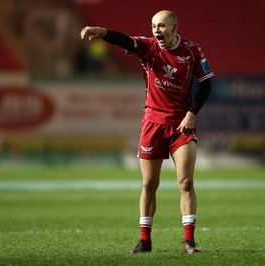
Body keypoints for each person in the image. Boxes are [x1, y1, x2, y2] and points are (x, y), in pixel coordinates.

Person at [80, 10, 213, 254]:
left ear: (174, 28)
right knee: (149, 183)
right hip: (153, 122)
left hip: (181, 124)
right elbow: (126, 40)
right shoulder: (149, 47)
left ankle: (189, 240)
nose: (156, 31)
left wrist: (191, 114)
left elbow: (206, 85)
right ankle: (145, 241)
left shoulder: (192, 51)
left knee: (186, 182)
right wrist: (103, 33)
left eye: (161, 26)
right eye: (153, 26)